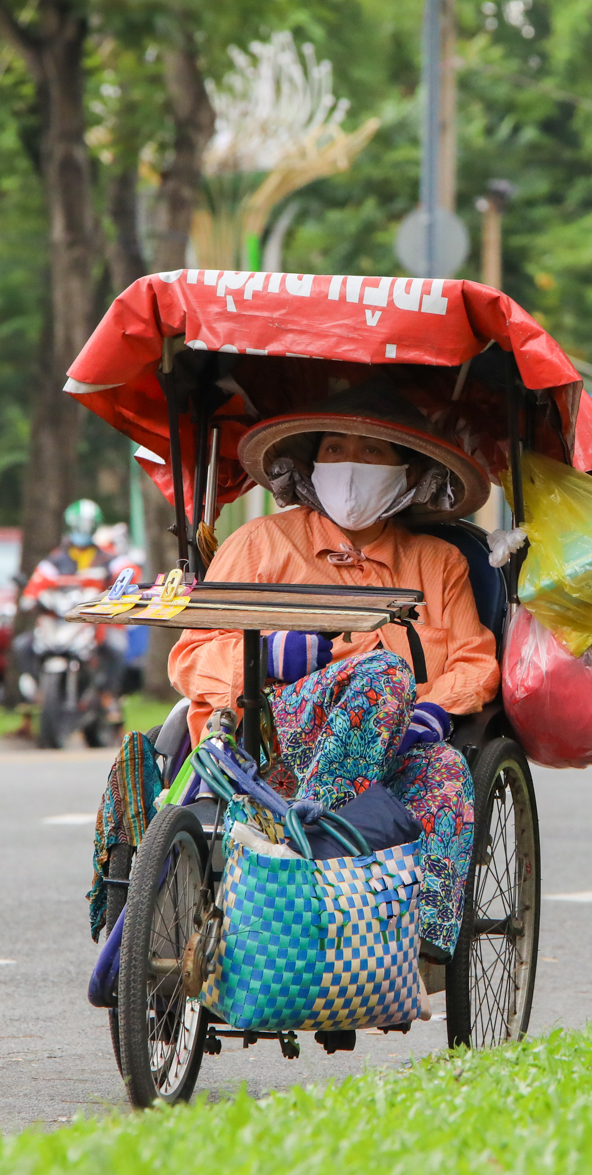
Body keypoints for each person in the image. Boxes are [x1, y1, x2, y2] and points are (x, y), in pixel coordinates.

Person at [169, 380, 499, 964]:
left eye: (372, 453)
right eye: (335, 450)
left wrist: (435, 711)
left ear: (409, 472)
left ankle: (415, 945)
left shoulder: (439, 563)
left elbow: (475, 661)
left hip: (398, 745)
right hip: (266, 741)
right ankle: (310, 856)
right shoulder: (259, 544)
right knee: (383, 675)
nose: (351, 466)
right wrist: (264, 659)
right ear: (310, 465)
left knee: (447, 767)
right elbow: (192, 657)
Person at [18, 500, 139, 702]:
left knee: (116, 647)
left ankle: (107, 697)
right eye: (78, 526)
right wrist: (30, 598)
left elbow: (130, 572)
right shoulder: (56, 559)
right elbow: (36, 582)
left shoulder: (106, 557)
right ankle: (38, 691)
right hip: (60, 619)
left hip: (95, 622)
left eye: (87, 526)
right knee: (22, 646)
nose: (82, 531)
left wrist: (118, 590)